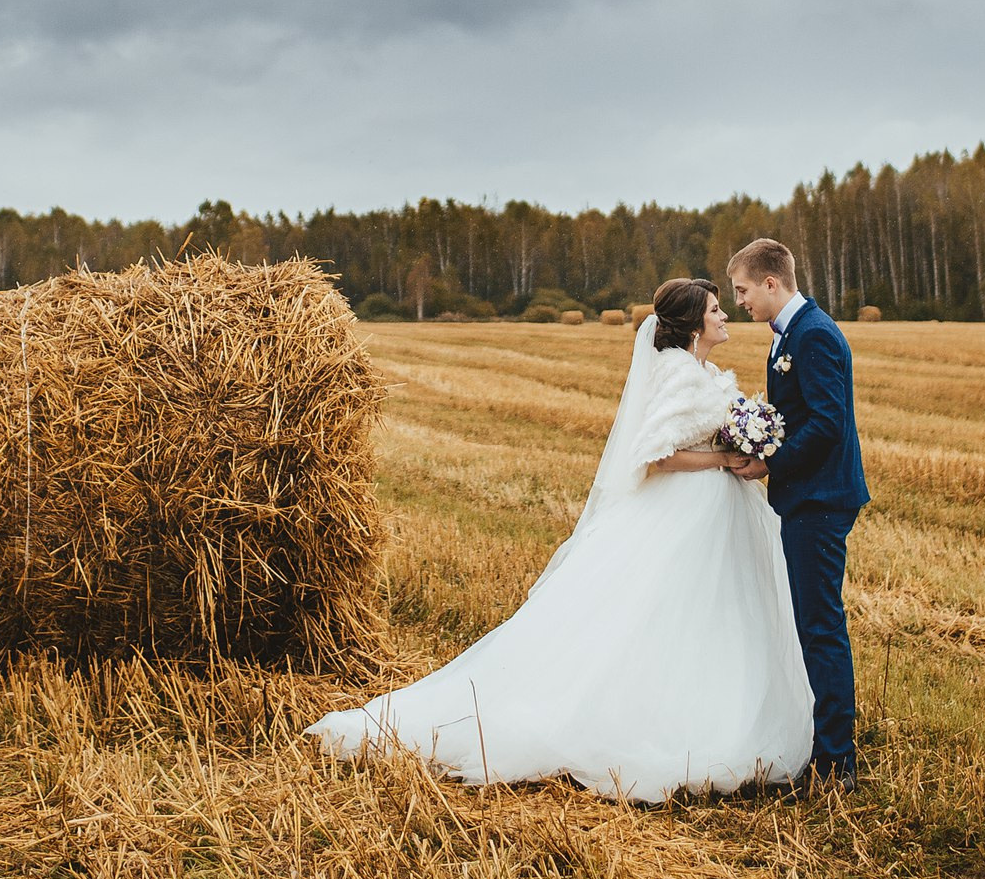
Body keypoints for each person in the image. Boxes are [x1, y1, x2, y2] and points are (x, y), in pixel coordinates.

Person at [307, 278, 812, 801]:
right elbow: (657, 455)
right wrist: (722, 458)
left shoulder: (704, 371)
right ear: (692, 324)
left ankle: (720, 708)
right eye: (715, 309)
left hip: (719, 509)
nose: (725, 315)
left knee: (716, 617)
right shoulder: (680, 375)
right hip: (690, 508)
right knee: (663, 616)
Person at [726, 237, 869, 785]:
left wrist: (772, 462)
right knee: (813, 622)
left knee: (820, 625)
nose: (739, 301)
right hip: (808, 496)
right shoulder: (790, 332)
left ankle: (837, 761)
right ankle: (824, 743)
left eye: (742, 290)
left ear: (769, 282)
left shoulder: (812, 335)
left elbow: (828, 423)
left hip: (820, 500)